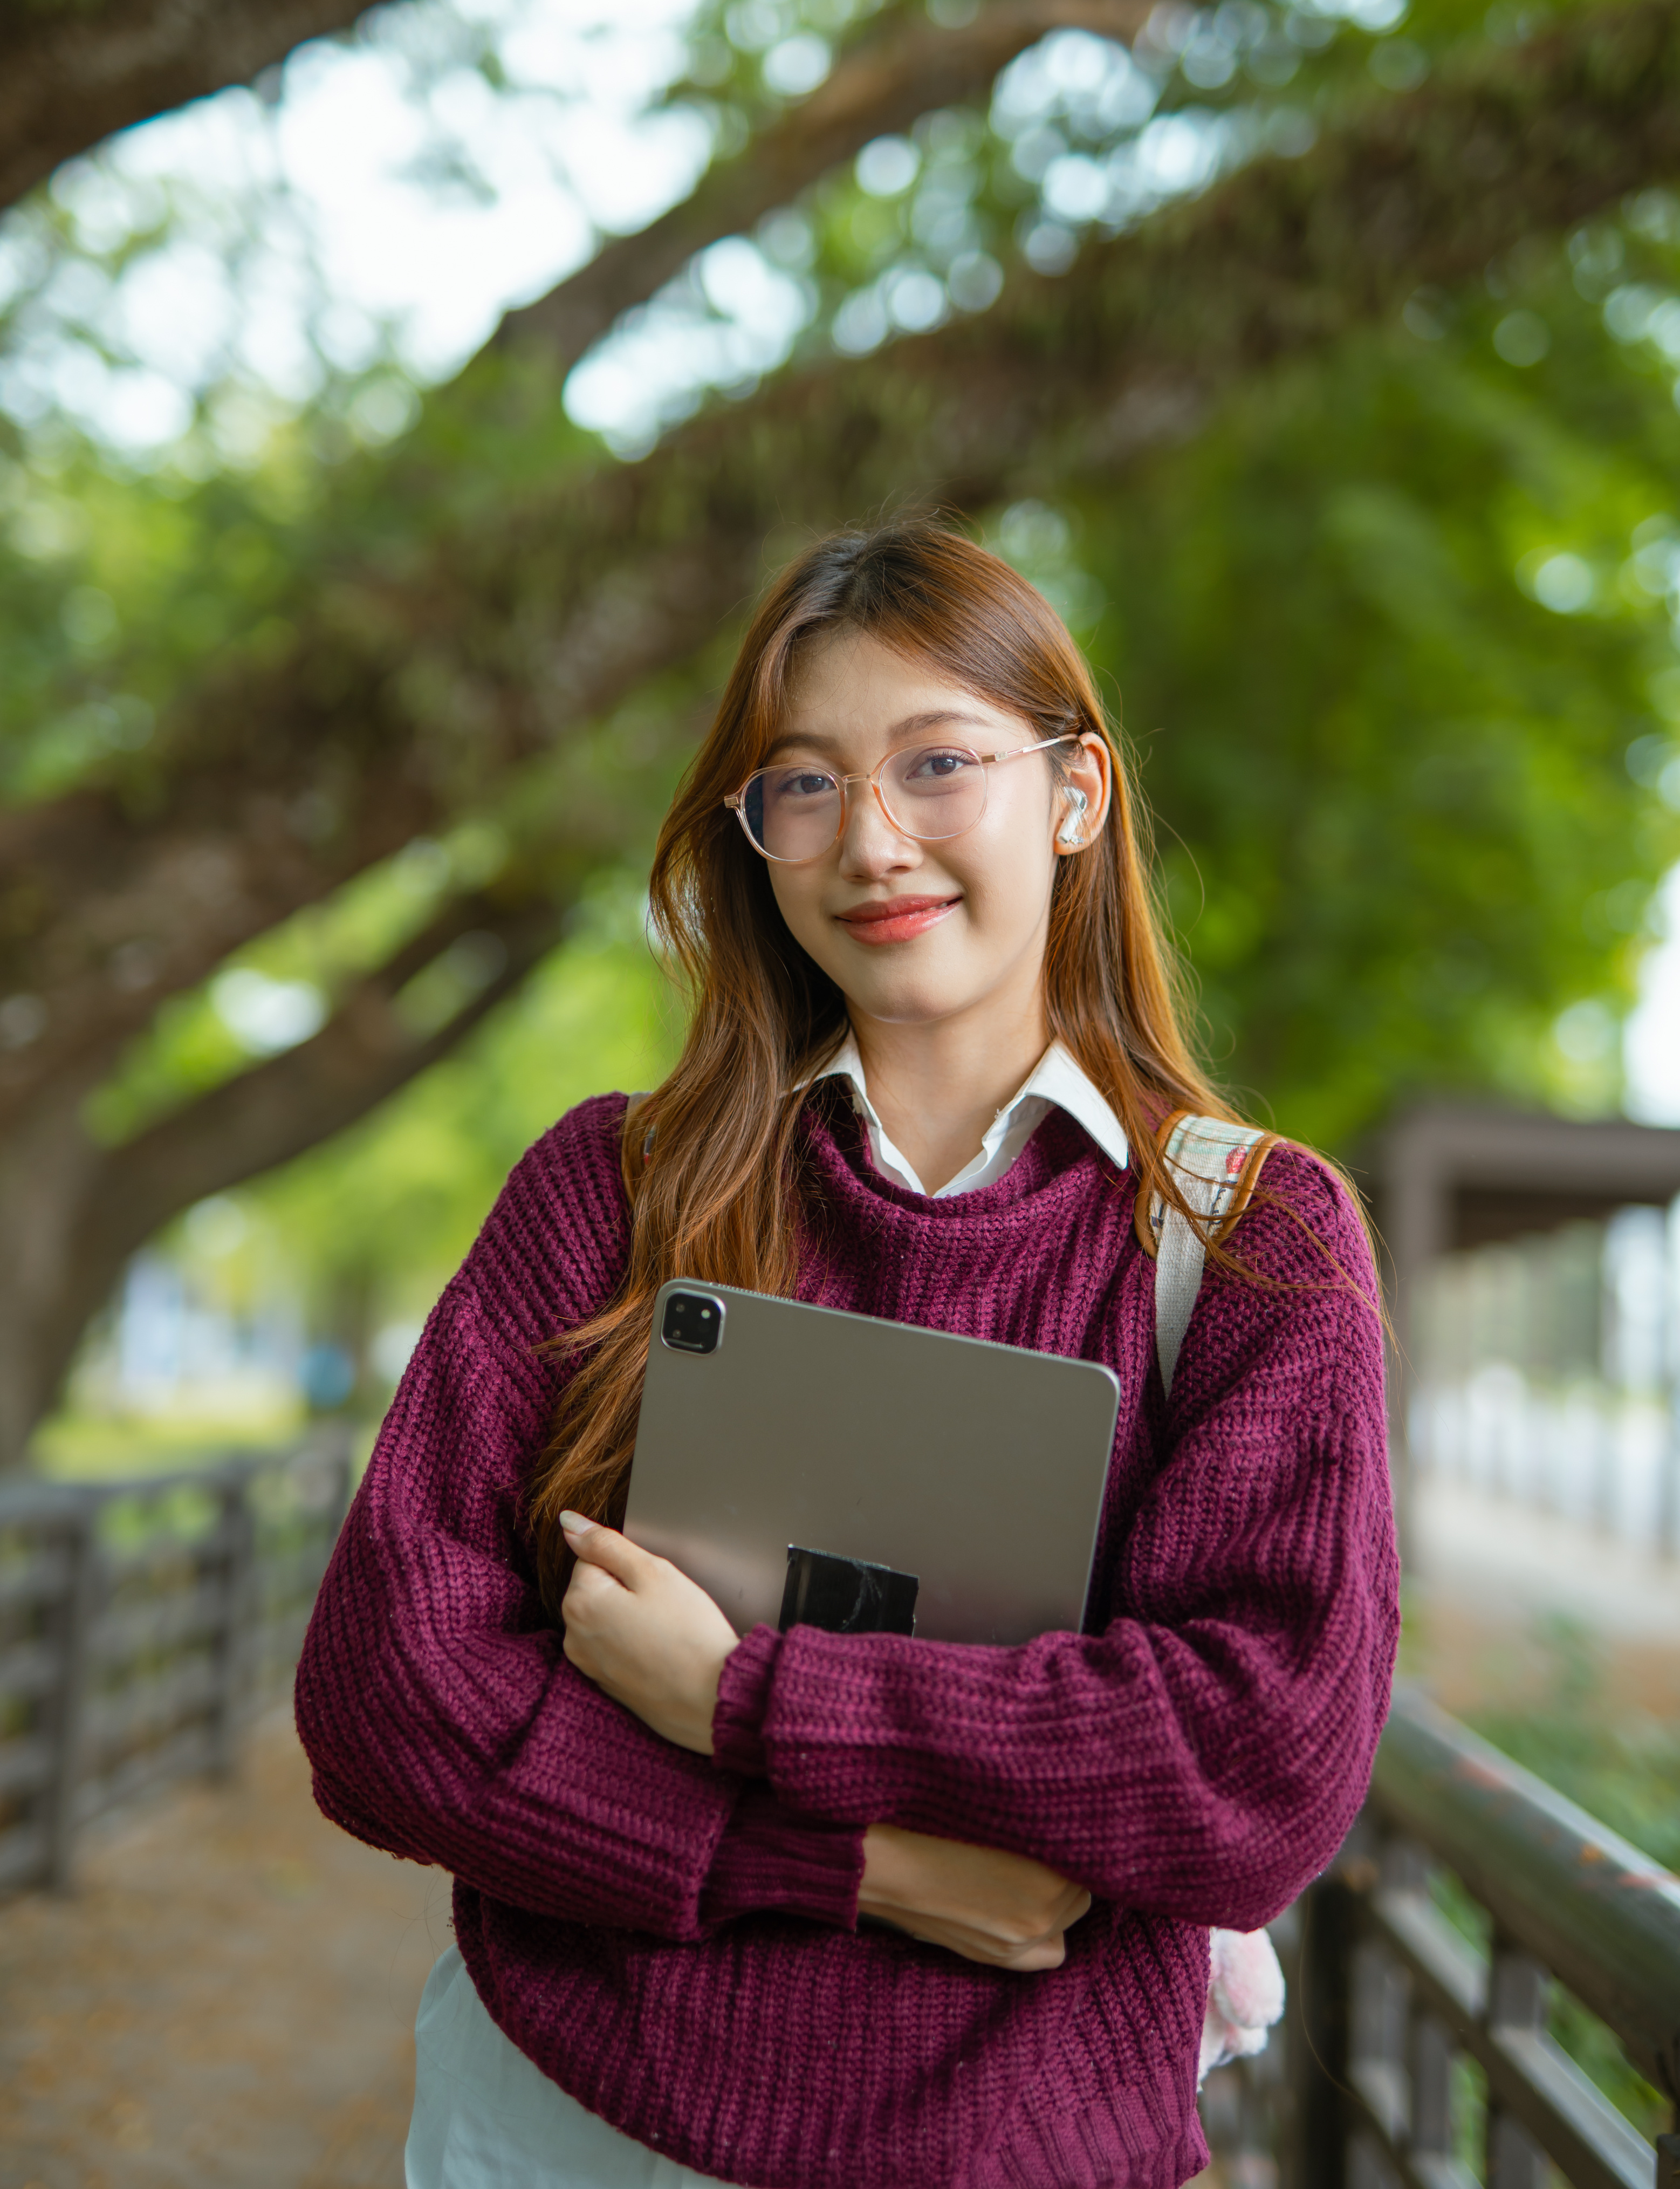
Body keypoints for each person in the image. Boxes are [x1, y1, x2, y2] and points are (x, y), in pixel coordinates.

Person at [295, 521, 1398, 2189]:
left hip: (1011, 2150)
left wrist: (740, 1692)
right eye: (799, 785)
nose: (870, 842)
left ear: (1075, 796)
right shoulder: (612, 1191)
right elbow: (385, 1693)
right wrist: (859, 1861)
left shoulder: (1250, 1246)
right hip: (559, 2128)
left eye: (936, 764)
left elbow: (1257, 1762)